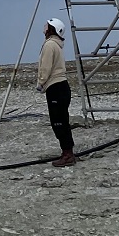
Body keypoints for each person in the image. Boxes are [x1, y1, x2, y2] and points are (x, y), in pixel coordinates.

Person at [37, 17, 76, 167]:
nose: (44, 26)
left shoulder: (50, 45)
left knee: (58, 122)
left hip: (55, 87)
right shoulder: (57, 45)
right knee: (63, 120)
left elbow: (46, 67)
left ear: (51, 28)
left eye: (47, 24)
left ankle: (67, 155)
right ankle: (68, 152)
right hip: (62, 86)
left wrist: (41, 83)